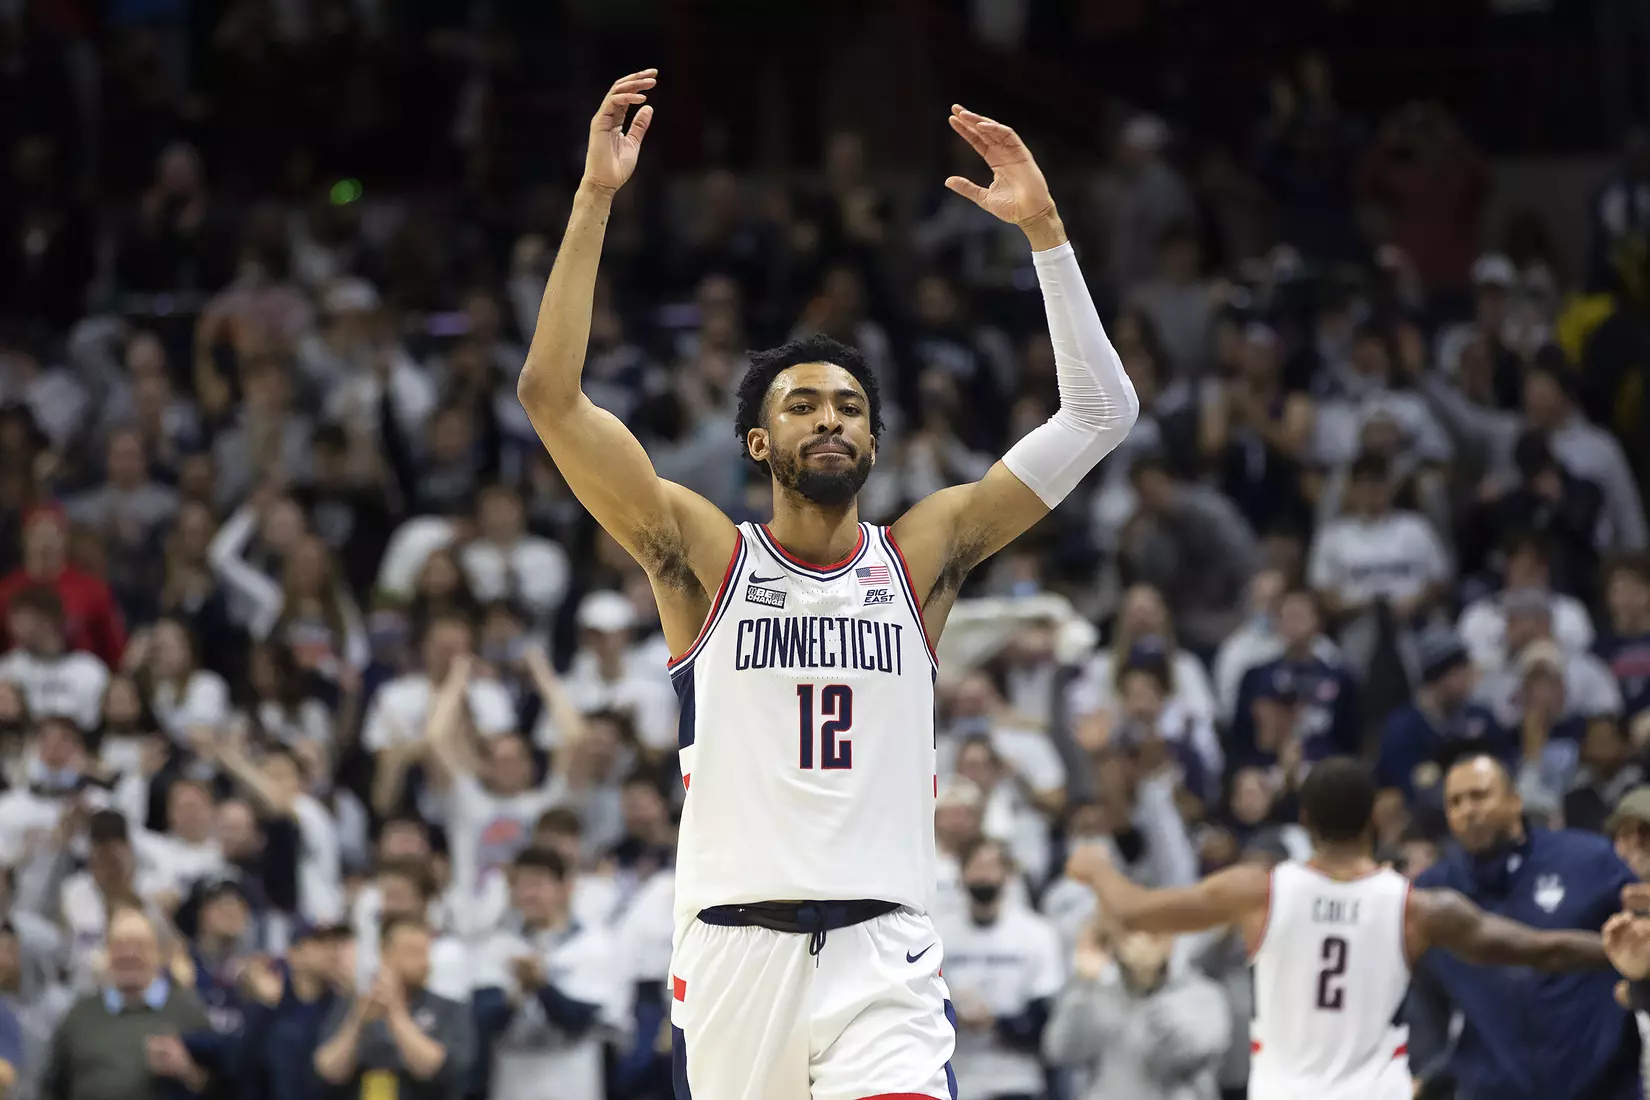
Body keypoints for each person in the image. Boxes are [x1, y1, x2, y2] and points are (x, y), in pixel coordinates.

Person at [517, 72, 1138, 1100]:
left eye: (850, 404)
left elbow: (1099, 415)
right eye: (803, 404)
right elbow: (550, 394)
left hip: (883, 951)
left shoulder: (923, 555)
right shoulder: (706, 558)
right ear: (760, 441)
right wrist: (593, 200)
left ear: (876, 438)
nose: (832, 418)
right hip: (732, 948)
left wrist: (1048, 235)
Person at [1066, 756, 1616, 1100]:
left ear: (1304, 822)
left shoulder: (1258, 889)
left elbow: (1135, 910)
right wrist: (1619, 949)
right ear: (1374, 821)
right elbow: (1546, 950)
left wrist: (1093, 868)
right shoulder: (1418, 907)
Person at [1407, 753, 1641, 1100]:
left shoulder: (1589, 860)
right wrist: (1429, 1067)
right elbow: (1417, 988)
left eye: (1479, 796)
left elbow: (1642, 944)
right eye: (1455, 802)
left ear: (1515, 800)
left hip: (1601, 1086)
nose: (1468, 811)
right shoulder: (1434, 894)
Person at [313, 916, 474, 1100]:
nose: (424, 963)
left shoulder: (449, 1008)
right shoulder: (349, 1005)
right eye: (413, 953)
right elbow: (329, 1069)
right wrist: (357, 1020)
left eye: (426, 953)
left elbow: (432, 1068)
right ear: (385, 954)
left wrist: (395, 1012)